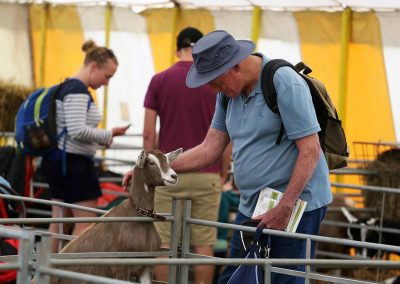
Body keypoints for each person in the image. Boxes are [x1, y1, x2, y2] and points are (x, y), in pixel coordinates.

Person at [124, 30, 332, 283]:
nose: (213, 89)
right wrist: (153, 169)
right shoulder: (227, 94)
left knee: (281, 279)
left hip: (295, 205)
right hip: (253, 205)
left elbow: (310, 150)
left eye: (215, 81)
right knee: (237, 277)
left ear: (235, 67)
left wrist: (285, 205)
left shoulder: (283, 83)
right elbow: (209, 149)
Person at [142, 27, 230, 284]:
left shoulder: (159, 80)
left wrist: (150, 170)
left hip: (168, 174)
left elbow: (149, 135)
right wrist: (222, 173)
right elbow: (226, 135)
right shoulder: (214, 82)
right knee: (204, 245)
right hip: (207, 175)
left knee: (163, 244)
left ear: (177, 48)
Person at [41, 40, 130, 253]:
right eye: (107, 76)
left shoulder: (65, 86)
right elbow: (77, 130)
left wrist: (103, 137)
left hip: (59, 162)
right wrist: (107, 134)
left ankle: (48, 274)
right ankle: (71, 274)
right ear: (93, 67)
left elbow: (72, 130)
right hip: (75, 166)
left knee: (58, 222)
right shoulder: (78, 90)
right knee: (84, 225)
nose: (107, 82)